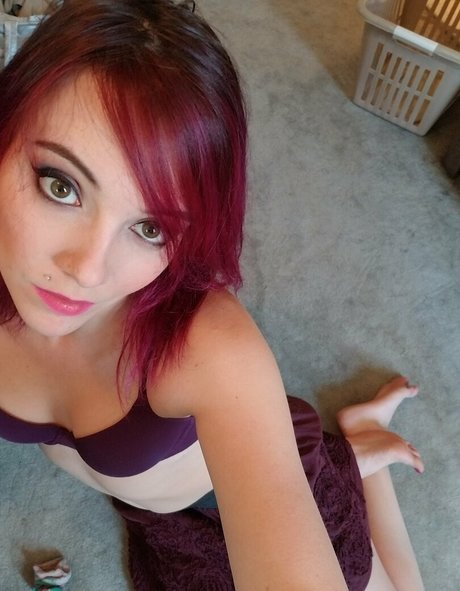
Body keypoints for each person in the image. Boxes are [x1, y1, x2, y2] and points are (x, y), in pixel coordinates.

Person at [0, 1, 425, 589]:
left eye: (152, 228)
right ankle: (358, 445)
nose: (88, 271)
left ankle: (355, 451)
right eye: (61, 186)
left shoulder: (213, 349)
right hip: (160, 518)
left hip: (261, 482)